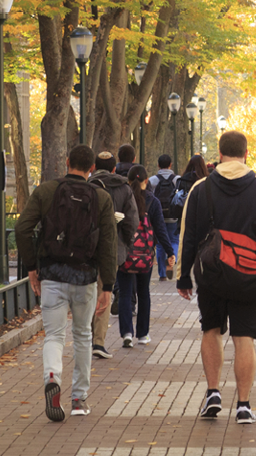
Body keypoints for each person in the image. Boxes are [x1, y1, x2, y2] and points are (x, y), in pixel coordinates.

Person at [176, 131, 256, 423]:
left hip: (211, 273)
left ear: (220, 153)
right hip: (249, 276)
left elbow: (188, 235)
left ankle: (213, 392)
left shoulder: (201, 189)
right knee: (244, 336)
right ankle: (244, 405)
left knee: (210, 329)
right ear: (246, 153)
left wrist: (184, 277)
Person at [14, 144, 118, 422]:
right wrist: (107, 285)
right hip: (85, 278)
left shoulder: (47, 191)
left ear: (67, 161)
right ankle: (79, 399)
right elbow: (108, 244)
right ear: (92, 168)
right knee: (83, 335)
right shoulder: (101, 198)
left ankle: (51, 375)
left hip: (52, 275)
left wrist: (32, 268)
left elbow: (22, 228)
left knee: (54, 335)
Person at [89, 151, 139, 360]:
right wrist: (126, 243)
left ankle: (85, 337)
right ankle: (98, 341)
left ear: (94, 166)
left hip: (86, 247)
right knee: (104, 290)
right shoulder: (124, 188)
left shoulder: (86, 185)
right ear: (113, 168)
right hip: (113, 247)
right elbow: (131, 220)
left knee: (87, 292)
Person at [118, 164, 163, 348]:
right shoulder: (153, 202)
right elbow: (160, 229)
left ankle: (127, 332)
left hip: (125, 253)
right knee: (144, 293)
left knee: (125, 293)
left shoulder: (122, 200)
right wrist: (168, 251)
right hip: (145, 255)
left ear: (128, 181)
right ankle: (143, 334)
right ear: (146, 180)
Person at [149, 154, 182, 281]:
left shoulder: (152, 180)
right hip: (173, 216)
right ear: (170, 165)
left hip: (158, 217)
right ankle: (171, 260)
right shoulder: (177, 179)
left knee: (160, 244)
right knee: (174, 240)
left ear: (158, 165)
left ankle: (162, 274)